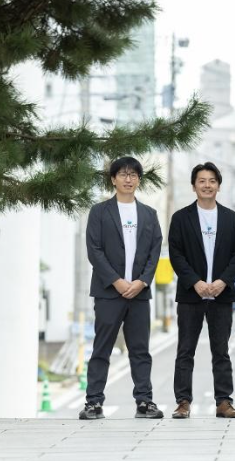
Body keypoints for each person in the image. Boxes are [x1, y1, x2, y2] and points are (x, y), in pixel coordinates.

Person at [79, 157, 163, 420]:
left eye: (133, 175)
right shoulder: (99, 212)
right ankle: (93, 402)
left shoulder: (149, 214)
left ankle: (144, 401)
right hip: (108, 292)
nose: (129, 179)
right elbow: (94, 250)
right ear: (113, 179)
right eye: (123, 174)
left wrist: (142, 281)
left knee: (140, 350)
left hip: (139, 293)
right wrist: (117, 280)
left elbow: (155, 251)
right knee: (101, 348)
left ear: (139, 180)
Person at [168, 162, 235, 419]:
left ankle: (224, 402)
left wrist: (223, 281)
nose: (207, 185)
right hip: (191, 294)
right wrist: (195, 282)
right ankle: (183, 402)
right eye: (202, 181)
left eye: (212, 181)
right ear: (194, 186)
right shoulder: (181, 218)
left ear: (219, 186)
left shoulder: (231, 218)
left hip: (222, 294)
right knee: (185, 350)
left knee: (221, 351)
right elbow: (176, 254)